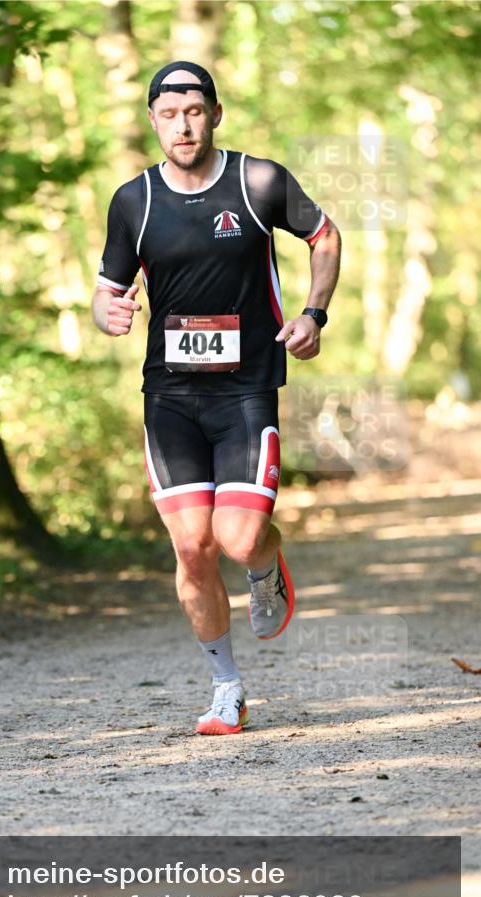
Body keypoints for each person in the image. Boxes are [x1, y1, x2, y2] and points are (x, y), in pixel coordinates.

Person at [92, 62, 341, 735]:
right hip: (169, 397)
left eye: (194, 111)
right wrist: (106, 314)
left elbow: (324, 235)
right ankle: (225, 688)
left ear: (215, 114)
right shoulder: (133, 200)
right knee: (192, 547)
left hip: (245, 390)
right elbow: (106, 289)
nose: (182, 124)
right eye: (169, 113)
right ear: (152, 120)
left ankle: (264, 558)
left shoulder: (257, 181)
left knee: (235, 538)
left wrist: (313, 313)